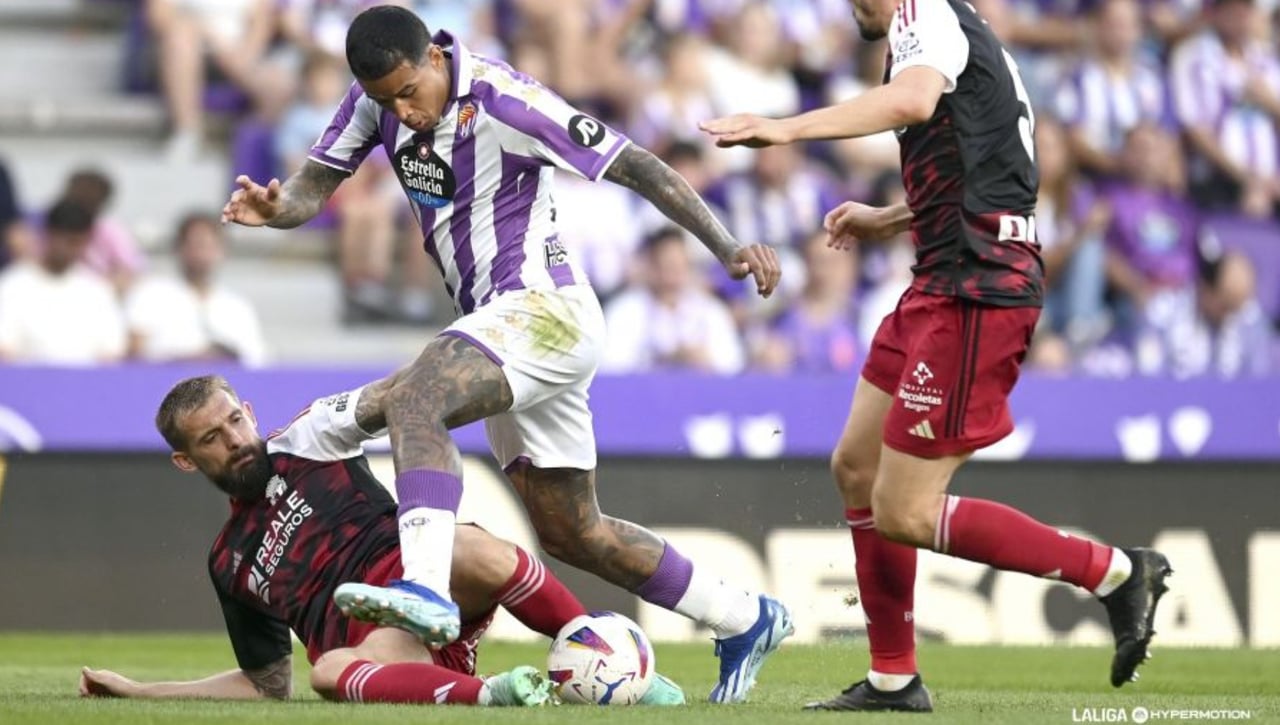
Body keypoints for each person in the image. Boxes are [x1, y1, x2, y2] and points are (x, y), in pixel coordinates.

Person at [220, 5, 787, 703]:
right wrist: (279, 210)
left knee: (417, 396)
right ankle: (743, 616)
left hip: (546, 311)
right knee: (574, 532)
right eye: (386, 99)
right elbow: (315, 183)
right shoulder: (374, 102)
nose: (403, 110)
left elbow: (635, 164)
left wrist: (727, 245)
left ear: (433, 57)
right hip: (496, 327)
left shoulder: (503, 99)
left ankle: (425, 585)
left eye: (408, 91)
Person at [702, 0, 1171, 712]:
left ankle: (1113, 571)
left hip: (979, 287)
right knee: (856, 465)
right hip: (942, 276)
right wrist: (893, 215)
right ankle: (894, 677)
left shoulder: (924, 11)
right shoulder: (959, 30)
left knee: (906, 511)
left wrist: (783, 126)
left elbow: (914, 100)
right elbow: (998, 159)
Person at [79, 373, 685, 707]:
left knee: (469, 544)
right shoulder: (227, 561)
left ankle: (606, 659)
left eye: (235, 420)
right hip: (383, 648)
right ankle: (495, 696)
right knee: (327, 672)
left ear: (251, 411)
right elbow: (265, 685)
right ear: (186, 461)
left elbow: (402, 393)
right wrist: (139, 691)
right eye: (210, 438)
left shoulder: (311, 438)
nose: (233, 440)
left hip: (424, 586)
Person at [125, 213, 268, 366]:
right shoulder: (150, 294)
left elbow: (255, 361)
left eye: (211, 245)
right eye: (197, 244)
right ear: (179, 248)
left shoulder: (238, 307)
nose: (203, 254)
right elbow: (135, 357)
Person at [0, 199, 127, 365]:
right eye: (66, 241)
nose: (70, 250)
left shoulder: (97, 290)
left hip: (87, 385)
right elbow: (4, 352)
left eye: (78, 242)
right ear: (48, 234)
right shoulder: (11, 286)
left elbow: (112, 353)